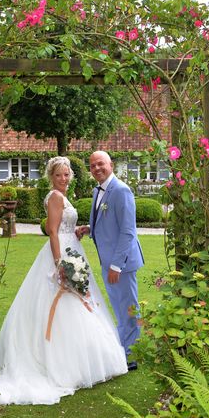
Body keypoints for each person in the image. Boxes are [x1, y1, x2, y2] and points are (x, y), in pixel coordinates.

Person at [0, 156, 127, 405]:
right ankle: (67, 365)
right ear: (51, 177)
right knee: (66, 303)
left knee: (81, 302)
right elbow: (53, 230)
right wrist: (59, 264)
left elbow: (64, 226)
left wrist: (78, 230)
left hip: (72, 247)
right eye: (59, 175)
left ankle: (86, 358)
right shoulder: (54, 196)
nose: (63, 178)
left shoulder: (63, 197)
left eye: (66, 174)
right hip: (61, 253)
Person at [76, 150, 144, 371]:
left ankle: (131, 355)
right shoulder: (99, 191)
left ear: (111, 164)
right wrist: (88, 229)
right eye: (93, 165)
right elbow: (106, 223)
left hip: (120, 264)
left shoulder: (121, 191)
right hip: (109, 262)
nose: (97, 168)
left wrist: (116, 265)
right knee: (118, 306)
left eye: (100, 164)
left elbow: (127, 232)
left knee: (128, 308)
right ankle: (123, 348)